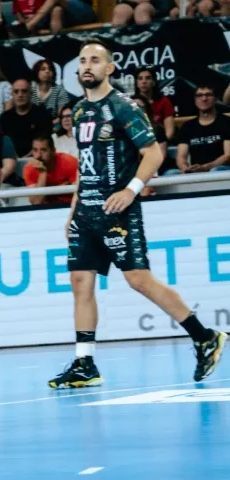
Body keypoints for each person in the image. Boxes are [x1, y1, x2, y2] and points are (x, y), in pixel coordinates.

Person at [50, 40, 226, 389]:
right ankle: (85, 362)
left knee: (138, 280)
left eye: (95, 60)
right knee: (80, 282)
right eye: (83, 60)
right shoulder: (80, 111)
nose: (87, 66)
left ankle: (204, 336)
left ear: (109, 68)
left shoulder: (123, 107)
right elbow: (85, 166)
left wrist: (129, 190)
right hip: (86, 210)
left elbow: (153, 154)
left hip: (118, 209)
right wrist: (74, 208)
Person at [170, 84, 230, 175]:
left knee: (215, 171)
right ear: (195, 100)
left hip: (220, 169)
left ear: (216, 99)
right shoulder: (187, 126)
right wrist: (185, 168)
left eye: (208, 95)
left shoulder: (226, 122)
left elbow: (228, 156)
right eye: (199, 95)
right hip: (196, 170)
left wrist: (206, 167)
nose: (204, 99)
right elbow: (181, 156)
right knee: (171, 173)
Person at [0, 78, 53, 158]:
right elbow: (2, 144)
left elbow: (45, 142)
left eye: (24, 91)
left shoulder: (42, 115)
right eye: (16, 91)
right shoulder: (4, 118)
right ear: (12, 95)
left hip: (37, 159)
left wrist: (24, 159)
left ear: (31, 93)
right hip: (11, 162)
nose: (20, 95)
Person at [23, 135, 78, 204]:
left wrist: (49, 193)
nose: (38, 155)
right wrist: (42, 173)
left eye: (43, 150)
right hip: (46, 210)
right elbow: (36, 202)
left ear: (53, 151)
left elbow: (81, 194)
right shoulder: (29, 169)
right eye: (35, 150)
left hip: (69, 206)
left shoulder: (69, 162)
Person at [135, 66, 174, 141]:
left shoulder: (164, 101)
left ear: (154, 82)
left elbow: (170, 132)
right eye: (140, 78)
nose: (144, 81)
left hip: (160, 143)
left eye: (148, 78)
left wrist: (157, 145)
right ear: (137, 83)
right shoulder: (131, 102)